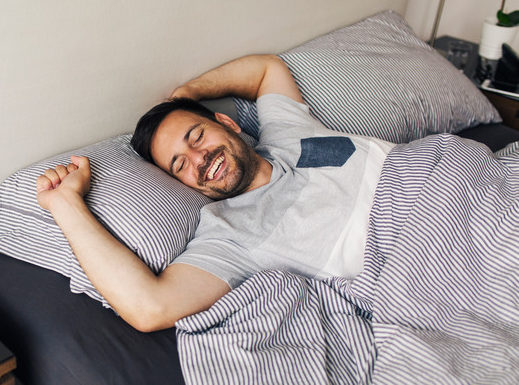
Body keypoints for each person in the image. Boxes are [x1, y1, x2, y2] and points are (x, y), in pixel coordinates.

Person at [35, 54, 393, 332]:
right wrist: (65, 204)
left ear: (228, 123)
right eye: (180, 165)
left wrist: (189, 94)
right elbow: (150, 307)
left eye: (197, 136)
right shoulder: (229, 235)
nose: (200, 158)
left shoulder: (287, 131)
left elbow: (268, 69)